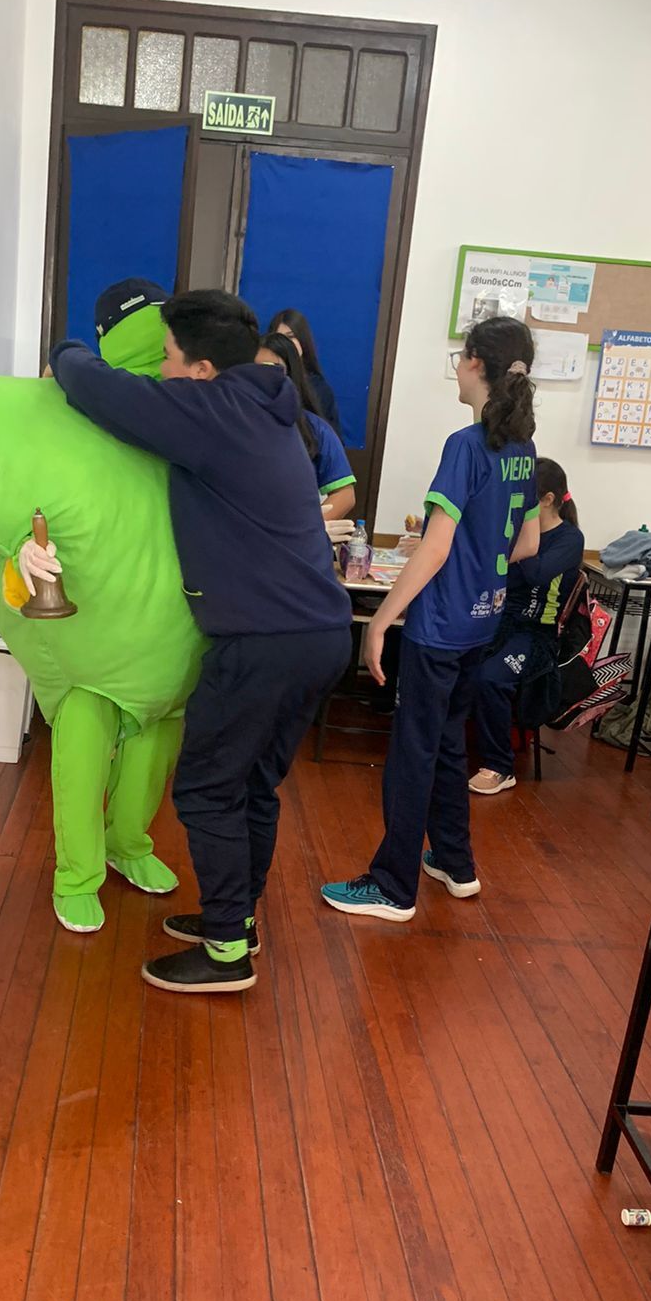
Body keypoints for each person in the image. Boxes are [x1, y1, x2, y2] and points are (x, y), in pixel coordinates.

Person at [51, 290, 353, 993]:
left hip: (264, 642)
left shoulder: (214, 412)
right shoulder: (269, 407)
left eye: (167, 357)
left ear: (203, 369)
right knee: (250, 786)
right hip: (318, 634)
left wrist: (64, 350)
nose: (161, 369)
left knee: (207, 789)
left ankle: (225, 953)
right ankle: (236, 921)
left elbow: (99, 390)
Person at [0, 278, 207, 935]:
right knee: (94, 739)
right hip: (100, 633)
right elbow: (21, 474)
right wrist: (17, 546)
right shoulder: (85, 405)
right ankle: (81, 872)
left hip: (172, 633)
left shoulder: (183, 407)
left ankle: (124, 846)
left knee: (149, 740)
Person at [321, 316, 540, 923]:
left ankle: (392, 886)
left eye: (460, 358)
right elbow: (526, 544)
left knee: (413, 752)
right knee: (445, 744)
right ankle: (454, 861)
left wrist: (379, 621)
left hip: (439, 627)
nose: (458, 369)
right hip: (482, 622)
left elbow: (437, 548)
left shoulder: (466, 446)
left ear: (475, 364)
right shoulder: (524, 450)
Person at [469, 458, 585, 796]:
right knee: (448, 657)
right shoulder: (516, 529)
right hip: (499, 621)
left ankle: (500, 766)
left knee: (490, 678)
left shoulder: (569, 539)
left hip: (537, 635)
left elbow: (535, 573)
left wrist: (516, 540)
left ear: (547, 500)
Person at [257, 331, 356, 524]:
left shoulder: (315, 429)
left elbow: (345, 495)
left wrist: (309, 529)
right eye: (256, 369)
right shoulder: (231, 422)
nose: (264, 378)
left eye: (274, 369)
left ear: (291, 374)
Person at [268, 308, 343, 439]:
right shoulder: (265, 383)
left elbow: (331, 440)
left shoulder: (318, 388)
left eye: (291, 336)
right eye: (280, 338)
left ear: (302, 340)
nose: (285, 344)